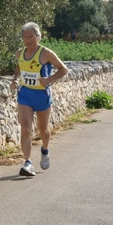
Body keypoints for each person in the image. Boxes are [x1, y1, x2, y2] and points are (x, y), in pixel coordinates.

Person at [10, 22, 68, 176]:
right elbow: (19, 66)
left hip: (42, 96)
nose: (28, 40)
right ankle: (28, 162)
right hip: (25, 95)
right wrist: (15, 79)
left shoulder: (46, 53)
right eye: (25, 37)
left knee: (43, 129)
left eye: (31, 37)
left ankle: (45, 150)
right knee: (26, 129)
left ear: (38, 37)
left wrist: (49, 80)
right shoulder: (19, 53)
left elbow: (64, 69)